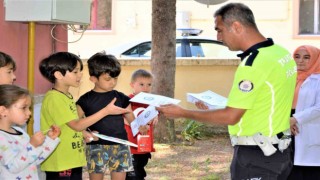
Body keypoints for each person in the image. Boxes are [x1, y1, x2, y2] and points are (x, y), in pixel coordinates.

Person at [157, 3, 297, 180]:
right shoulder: (280, 53)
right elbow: (270, 99)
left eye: (220, 30)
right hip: (279, 153)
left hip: (257, 157)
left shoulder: (253, 64)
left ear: (237, 26)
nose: (218, 37)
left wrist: (183, 113)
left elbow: (231, 116)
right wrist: (216, 109)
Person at [39, 52, 130, 180]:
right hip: (61, 162)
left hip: (72, 159)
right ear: (58, 75)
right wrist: (106, 111)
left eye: (80, 71)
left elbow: (69, 125)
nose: (80, 75)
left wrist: (85, 134)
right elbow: (76, 125)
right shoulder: (55, 98)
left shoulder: (66, 96)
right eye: (75, 72)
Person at [76, 53, 148, 180]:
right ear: (93, 78)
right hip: (96, 146)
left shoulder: (120, 97)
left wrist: (139, 127)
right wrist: (85, 133)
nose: (113, 82)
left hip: (120, 145)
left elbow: (130, 117)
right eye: (108, 79)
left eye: (116, 78)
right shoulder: (85, 100)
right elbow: (75, 122)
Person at [0, 84, 61, 180]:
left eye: (29, 108)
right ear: (3, 110)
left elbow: (34, 159)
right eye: (24, 108)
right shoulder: (1, 138)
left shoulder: (20, 132)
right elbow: (13, 167)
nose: (29, 113)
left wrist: (50, 140)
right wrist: (32, 145)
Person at [287, 45, 320, 180]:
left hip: (307, 128)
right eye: (297, 56)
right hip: (288, 126)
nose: (300, 61)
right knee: (289, 169)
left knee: (310, 172)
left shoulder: (318, 80)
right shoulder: (289, 78)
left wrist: (295, 119)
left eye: (307, 57)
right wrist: (286, 120)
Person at [125, 69, 157, 180]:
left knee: (140, 170)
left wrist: (155, 116)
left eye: (149, 85)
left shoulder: (151, 101)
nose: (146, 88)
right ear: (132, 85)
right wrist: (139, 124)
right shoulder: (127, 100)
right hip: (131, 145)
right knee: (132, 174)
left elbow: (153, 115)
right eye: (141, 84)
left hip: (144, 145)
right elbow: (124, 119)